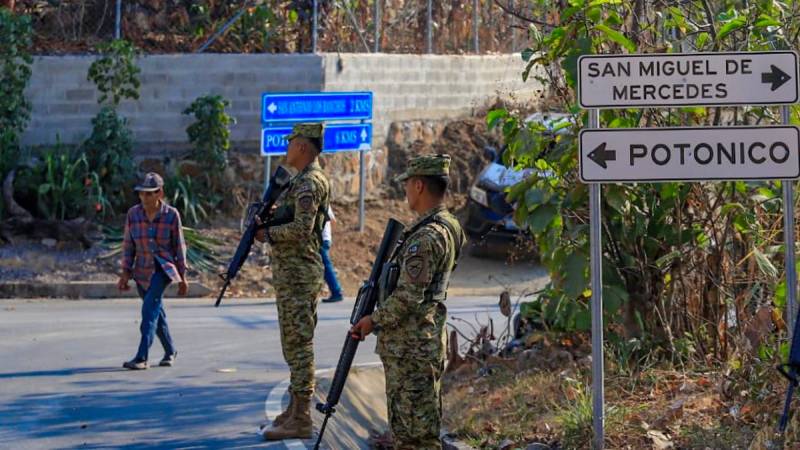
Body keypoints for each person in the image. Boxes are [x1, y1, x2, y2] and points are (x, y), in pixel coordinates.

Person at [350, 154, 466, 450]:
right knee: (413, 433)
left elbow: (408, 297)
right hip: (417, 345)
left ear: (418, 185)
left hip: (412, 349)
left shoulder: (425, 238)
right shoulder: (449, 225)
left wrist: (372, 320)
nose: (404, 192)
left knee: (414, 438)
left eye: (406, 185)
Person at [255, 123, 330, 440]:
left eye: (291, 144)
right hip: (292, 275)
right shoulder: (300, 181)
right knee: (293, 345)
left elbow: (301, 229)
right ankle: (293, 409)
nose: (287, 149)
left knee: (299, 347)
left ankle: (301, 418)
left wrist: (267, 234)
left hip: (300, 275)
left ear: (302, 146)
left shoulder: (310, 183)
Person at [117, 172, 188, 370]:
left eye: (149, 194)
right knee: (157, 314)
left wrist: (183, 277)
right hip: (141, 270)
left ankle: (142, 357)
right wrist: (125, 273)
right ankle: (170, 351)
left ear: (160, 193)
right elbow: (128, 245)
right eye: (141, 194)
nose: (144, 198)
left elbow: (179, 247)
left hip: (163, 269)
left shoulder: (171, 215)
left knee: (149, 312)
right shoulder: (133, 214)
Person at [320, 204, 344, 303]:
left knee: (326, 266)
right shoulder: (323, 200)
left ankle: (336, 291)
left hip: (321, 239)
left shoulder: (321, 201)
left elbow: (331, 219)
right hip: (323, 238)